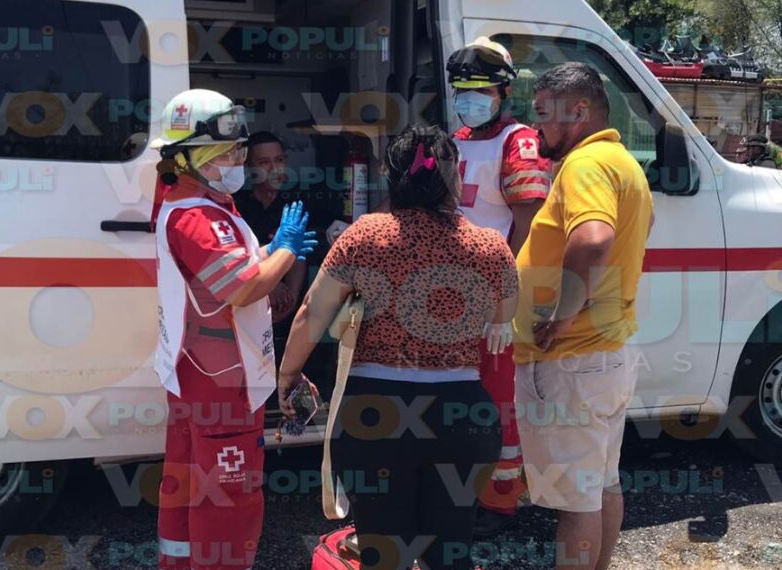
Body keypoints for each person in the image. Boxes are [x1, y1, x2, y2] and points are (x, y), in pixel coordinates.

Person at [277, 125, 518, 570]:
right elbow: (502, 317)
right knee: (450, 550)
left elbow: (314, 310)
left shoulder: (365, 237)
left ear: (392, 177)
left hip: (377, 415)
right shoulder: (491, 247)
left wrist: (288, 374)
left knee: (385, 552)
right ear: (454, 179)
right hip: (462, 415)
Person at [150, 88, 317, 570]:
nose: (239, 158)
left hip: (192, 375)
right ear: (196, 154)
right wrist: (283, 251)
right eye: (230, 151)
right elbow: (243, 289)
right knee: (228, 501)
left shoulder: (190, 202)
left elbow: (218, 275)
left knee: (184, 484)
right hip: (223, 386)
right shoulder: (200, 217)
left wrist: (267, 251)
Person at [514, 63, 654, 570]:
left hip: (571, 361)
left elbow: (593, 239)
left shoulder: (585, 165)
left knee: (574, 505)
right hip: (607, 356)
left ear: (578, 111)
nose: (536, 129)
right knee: (601, 485)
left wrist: (560, 315)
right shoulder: (624, 162)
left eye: (544, 114)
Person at [447, 36, 553, 534]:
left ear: (503, 91)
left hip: (492, 299)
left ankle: (500, 502)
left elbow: (527, 219)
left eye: (480, 90)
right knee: (459, 400)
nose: (469, 99)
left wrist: (500, 301)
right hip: (449, 295)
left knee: (495, 401)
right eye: (462, 90)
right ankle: (463, 492)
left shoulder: (518, 141)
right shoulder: (459, 137)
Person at [234, 131, 308, 329]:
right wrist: (269, 287)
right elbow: (236, 260)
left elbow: (300, 254)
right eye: (264, 162)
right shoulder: (235, 206)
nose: (275, 169)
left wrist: (291, 298)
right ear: (249, 168)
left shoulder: (297, 201)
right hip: (246, 301)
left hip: (288, 306)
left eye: (279, 160)